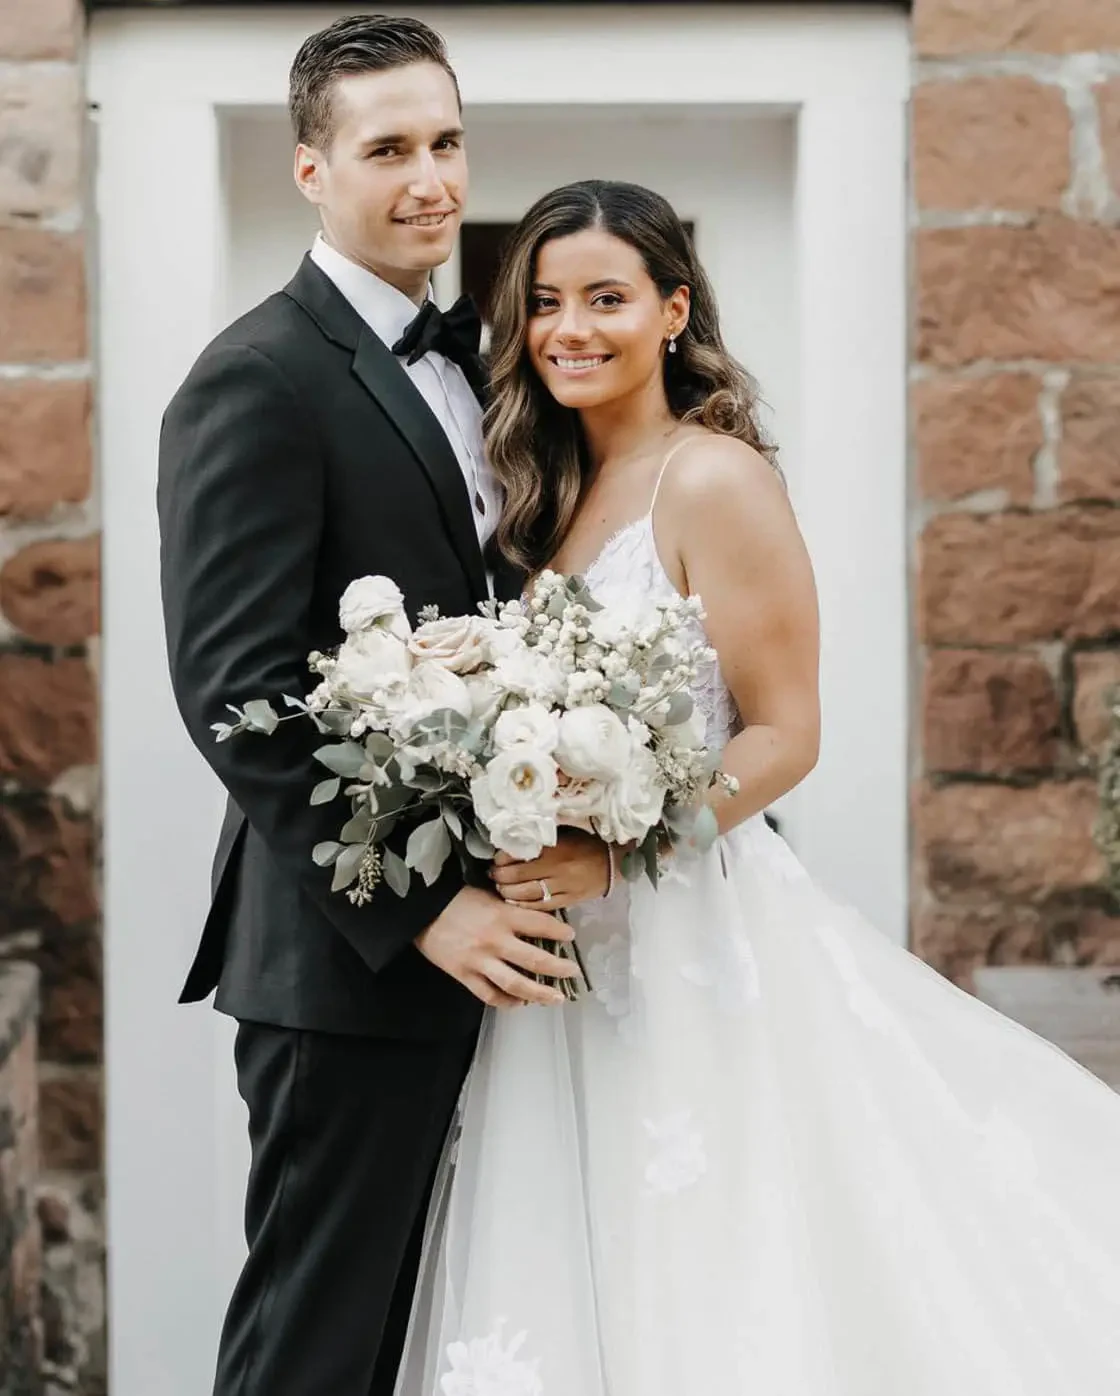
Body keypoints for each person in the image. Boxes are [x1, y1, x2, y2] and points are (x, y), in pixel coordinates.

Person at [394, 180, 1120, 1396]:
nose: (570, 328)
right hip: (559, 958)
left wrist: (621, 852)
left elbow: (787, 733)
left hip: (685, 936)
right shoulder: (545, 492)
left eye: (608, 299)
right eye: (546, 303)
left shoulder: (713, 479)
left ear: (674, 310)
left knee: (717, 1260)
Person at [157, 17, 594, 1395]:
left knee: (445, 1330)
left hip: (510, 944)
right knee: (321, 1341)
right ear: (310, 170)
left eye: (448, 142)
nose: (430, 179)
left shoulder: (488, 364)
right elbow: (237, 690)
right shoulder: (258, 378)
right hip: (352, 964)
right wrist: (423, 909)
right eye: (387, 148)